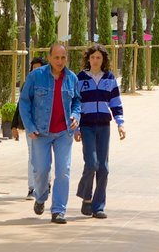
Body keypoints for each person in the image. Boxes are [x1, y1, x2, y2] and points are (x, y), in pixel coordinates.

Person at [19, 43, 81, 224]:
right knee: (41, 170)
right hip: (41, 133)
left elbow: (77, 101)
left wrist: (76, 115)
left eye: (63, 58)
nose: (60, 61)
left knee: (63, 171)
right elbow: (24, 102)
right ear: (49, 57)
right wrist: (29, 126)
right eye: (56, 57)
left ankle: (58, 210)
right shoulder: (36, 76)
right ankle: (40, 197)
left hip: (64, 133)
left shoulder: (71, 78)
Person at [74, 44, 125, 219]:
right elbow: (75, 104)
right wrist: (77, 128)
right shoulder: (79, 78)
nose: (95, 61)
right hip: (87, 126)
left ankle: (98, 206)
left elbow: (116, 103)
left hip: (104, 126)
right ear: (88, 59)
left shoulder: (110, 78)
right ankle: (86, 197)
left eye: (99, 58)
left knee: (103, 167)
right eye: (93, 57)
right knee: (91, 164)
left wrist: (120, 124)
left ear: (103, 60)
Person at [14, 56, 47, 200]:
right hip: (30, 126)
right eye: (33, 70)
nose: (36, 72)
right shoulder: (27, 85)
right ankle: (32, 188)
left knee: (45, 157)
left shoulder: (50, 84)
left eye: (39, 69)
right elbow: (20, 106)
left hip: (47, 126)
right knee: (32, 156)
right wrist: (14, 125)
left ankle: (46, 182)